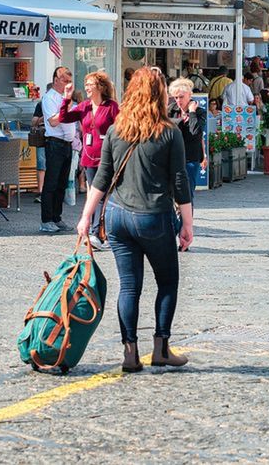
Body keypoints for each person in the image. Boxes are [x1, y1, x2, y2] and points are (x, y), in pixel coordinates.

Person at [77, 67, 193, 373]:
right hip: (152, 216)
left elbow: (102, 176)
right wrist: (188, 224)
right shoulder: (169, 132)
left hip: (116, 216)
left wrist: (86, 216)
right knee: (167, 281)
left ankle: (130, 353)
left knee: (129, 287)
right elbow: (180, 182)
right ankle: (161, 348)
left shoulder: (117, 130)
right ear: (160, 95)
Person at [58, 71, 120, 249]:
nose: (86, 87)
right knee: (93, 195)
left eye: (90, 84)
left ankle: (98, 233)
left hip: (107, 158)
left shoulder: (111, 107)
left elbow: (120, 129)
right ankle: (99, 233)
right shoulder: (84, 106)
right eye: (85, 84)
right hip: (89, 157)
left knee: (103, 196)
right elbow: (64, 118)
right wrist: (66, 99)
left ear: (100, 87)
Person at [38, 68, 76, 233]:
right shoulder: (50, 98)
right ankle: (46, 220)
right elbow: (53, 121)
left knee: (62, 183)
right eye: (65, 81)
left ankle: (56, 217)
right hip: (55, 142)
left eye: (69, 81)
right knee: (51, 183)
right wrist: (66, 105)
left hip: (67, 143)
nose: (68, 85)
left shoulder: (64, 98)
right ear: (56, 80)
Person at [168, 78, 208, 203]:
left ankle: (186, 219)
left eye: (181, 97)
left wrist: (191, 112)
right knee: (170, 191)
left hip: (190, 156)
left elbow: (196, 132)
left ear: (189, 95)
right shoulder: (171, 110)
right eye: (175, 97)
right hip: (172, 155)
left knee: (187, 191)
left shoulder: (199, 111)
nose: (178, 101)